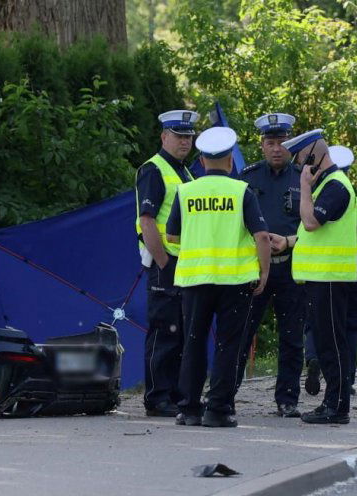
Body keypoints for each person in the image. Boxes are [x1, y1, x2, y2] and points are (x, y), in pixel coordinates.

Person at [165, 126, 272, 428]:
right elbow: (262, 236)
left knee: (193, 343)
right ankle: (218, 409)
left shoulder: (185, 192)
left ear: (201, 162)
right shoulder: (241, 192)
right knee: (228, 344)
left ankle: (188, 409)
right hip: (235, 282)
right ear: (229, 161)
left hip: (195, 281)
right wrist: (264, 272)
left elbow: (171, 235)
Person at [301, 152, 357, 396]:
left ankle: (313, 358)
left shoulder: (315, 199)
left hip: (320, 271)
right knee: (348, 327)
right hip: (351, 271)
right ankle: (347, 378)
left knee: (316, 323)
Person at [282, 129, 357, 424]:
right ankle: (332, 403)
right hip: (320, 277)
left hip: (330, 277)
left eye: (301, 157)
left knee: (332, 343)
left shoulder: (336, 186)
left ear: (314, 154)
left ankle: (337, 406)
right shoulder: (325, 185)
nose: (300, 165)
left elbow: (311, 223)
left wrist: (303, 186)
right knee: (326, 342)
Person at [236, 113, 307, 418]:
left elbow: (315, 226)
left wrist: (289, 240)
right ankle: (226, 394)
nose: (276, 148)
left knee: (291, 337)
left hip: (292, 267)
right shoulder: (248, 178)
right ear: (262, 146)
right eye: (270, 142)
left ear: (290, 145)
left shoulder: (305, 178)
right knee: (239, 332)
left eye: (281, 142)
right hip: (254, 269)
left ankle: (287, 398)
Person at [134, 109, 198, 417]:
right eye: (179, 136)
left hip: (183, 263)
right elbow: (146, 220)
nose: (185, 141)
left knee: (181, 331)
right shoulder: (154, 169)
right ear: (164, 136)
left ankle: (173, 394)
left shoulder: (185, 172)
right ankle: (157, 398)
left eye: (188, 136)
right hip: (165, 262)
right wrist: (161, 261)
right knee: (164, 330)